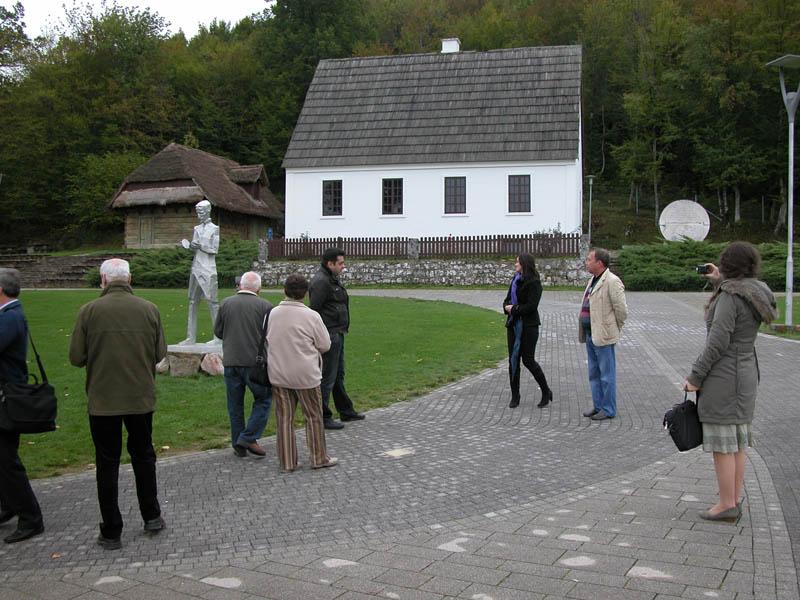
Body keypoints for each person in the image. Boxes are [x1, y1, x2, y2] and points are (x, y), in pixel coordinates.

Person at [69, 258, 167, 550]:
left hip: (103, 399)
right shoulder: (149, 309)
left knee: (107, 462)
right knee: (144, 456)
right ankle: (152, 516)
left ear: (103, 280)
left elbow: (76, 357)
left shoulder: (89, 311)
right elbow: (159, 353)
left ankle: (111, 530)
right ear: (129, 279)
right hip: (140, 397)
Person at [683, 241, 777, 522]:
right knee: (737, 442)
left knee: (723, 442)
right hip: (746, 373)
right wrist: (719, 281)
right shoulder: (757, 291)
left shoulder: (729, 297)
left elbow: (717, 342)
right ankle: (733, 499)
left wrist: (695, 377)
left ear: (728, 264)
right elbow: (739, 305)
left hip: (724, 377)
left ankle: (726, 505)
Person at [268, 274, 337, 471]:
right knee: (313, 416)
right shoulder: (311, 316)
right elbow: (325, 344)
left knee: (284, 419)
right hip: (306, 374)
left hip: (279, 372)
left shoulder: (272, 314)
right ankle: (318, 458)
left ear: (285, 291)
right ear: (305, 294)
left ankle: (287, 461)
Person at [0, 268, 44, 544]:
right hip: (8, 395)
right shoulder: (9, 315)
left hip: (7, 398)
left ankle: (30, 517)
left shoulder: (10, 317)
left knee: (6, 460)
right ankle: (8, 505)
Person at [213, 271, 273, 458]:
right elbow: (271, 333)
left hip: (231, 360)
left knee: (235, 404)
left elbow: (218, 331)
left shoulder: (226, 303)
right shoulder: (265, 306)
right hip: (255, 362)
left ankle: (238, 441)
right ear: (259, 288)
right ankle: (248, 437)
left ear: (240, 285)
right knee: (264, 399)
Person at [309, 248, 365, 430]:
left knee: (338, 374)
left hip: (337, 332)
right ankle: (323, 416)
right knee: (328, 376)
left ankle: (345, 410)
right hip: (329, 334)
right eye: (340, 263)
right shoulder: (321, 282)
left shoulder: (331, 279)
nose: (343, 266)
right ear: (330, 263)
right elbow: (314, 310)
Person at [579, 247, 628, 421]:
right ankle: (598, 406)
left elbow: (621, 310)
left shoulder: (612, 281)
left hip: (603, 336)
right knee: (594, 374)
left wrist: (613, 328)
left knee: (606, 375)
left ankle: (608, 409)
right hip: (591, 334)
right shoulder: (593, 279)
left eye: (589, 259)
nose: (586, 262)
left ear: (599, 263)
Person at [503, 254, 553, 409]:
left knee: (528, 360)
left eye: (517, 262)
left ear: (524, 264)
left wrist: (514, 309)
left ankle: (546, 391)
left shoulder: (534, 283)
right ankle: (515, 396)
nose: (515, 264)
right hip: (513, 325)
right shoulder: (515, 280)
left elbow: (531, 306)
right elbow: (507, 300)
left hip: (528, 327)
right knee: (513, 360)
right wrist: (506, 307)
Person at [179, 200, 220, 344]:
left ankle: (217, 338)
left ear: (208, 211)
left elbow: (214, 249)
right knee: (192, 301)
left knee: (212, 302)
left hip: (208, 269)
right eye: (197, 212)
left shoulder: (214, 229)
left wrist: (200, 246)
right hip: (196, 267)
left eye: (201, 212)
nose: (199, 215)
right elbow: (195, 247)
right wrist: (190, 246)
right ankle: (190, 337)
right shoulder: (196, 228)